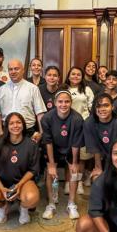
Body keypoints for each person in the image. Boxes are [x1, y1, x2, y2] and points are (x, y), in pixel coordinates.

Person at [0, 112, 40, 225]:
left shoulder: (31, 145)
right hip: (0, 185)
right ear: (6, 126)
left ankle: (23, 208)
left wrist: (19, 185)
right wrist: (1, 188)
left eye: (18, 122)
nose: (15, 126)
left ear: (23, 125)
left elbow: (33, 170)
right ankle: (3, 206)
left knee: (32, 198)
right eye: (11, 123)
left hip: (23, 184)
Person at [41, 90, 84, 220]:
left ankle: (71, 203)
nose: (63, 104)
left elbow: (76, 143)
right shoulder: (47, 118)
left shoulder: (77, 118)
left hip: (70, 148)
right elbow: (47, 142)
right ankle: (52, 203)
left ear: (71, 103)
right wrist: (52, 164)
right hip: (53, 149)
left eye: (67, 101)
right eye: (60, 101)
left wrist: (75, 163)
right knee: (51, 173)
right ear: (55, 103)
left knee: (75, 172)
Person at [0, 59, 47, 140]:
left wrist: (41, 133)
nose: (13, 71)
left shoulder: (33, 88)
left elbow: (40, 113)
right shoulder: (2, 89)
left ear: (23, 70)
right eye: (10, 69)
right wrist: (0, 132)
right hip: (7, 132)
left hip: (28, 132)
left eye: (16, 69)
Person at [84, 93, 117, 181]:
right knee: (97, 178)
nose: (102, 109)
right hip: (101, 159)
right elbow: (94, 148)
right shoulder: (89, 123)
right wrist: (98, 168)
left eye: (106, 105)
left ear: (112, 107)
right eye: (99, 106)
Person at [65, 66, 95, 194]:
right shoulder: (64, 89)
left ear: (82, 77)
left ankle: (79, 182)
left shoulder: (86, 89)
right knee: (69, 156)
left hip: (84, 125)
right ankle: (68, 182)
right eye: (73, 74)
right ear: (69, 76)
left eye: (78, 74)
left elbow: (91, 107)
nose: (76, 76)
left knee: (82, 156)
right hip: (68, 125)